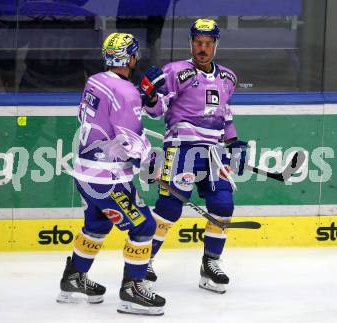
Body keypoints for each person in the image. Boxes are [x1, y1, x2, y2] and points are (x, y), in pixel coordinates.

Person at [56, 32, 166, 316]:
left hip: (85, 173)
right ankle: (132, 291)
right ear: (131, 57)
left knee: (96, 225)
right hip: (109, 178)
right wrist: (148, 160)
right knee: (144, 227)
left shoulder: (95, 80)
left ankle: (72, 279)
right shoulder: (126, 91)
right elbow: (129, 138)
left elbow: (107, 114)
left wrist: (140, 97)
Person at [142, 18, 248, 294]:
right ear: (191, 43)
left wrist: (234, 142)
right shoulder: (175, 72)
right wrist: (151, 97)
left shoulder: (228, 78)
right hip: (180, 149)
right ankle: (143, 262)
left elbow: (225, 115)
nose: (202, 49)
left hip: (213, 153)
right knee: (169, 208)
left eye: (208, 44)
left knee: (223, 205)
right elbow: (155, 111)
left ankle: (210, 264)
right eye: (198, 43)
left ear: (215, 45)